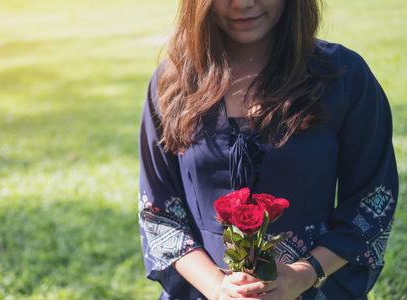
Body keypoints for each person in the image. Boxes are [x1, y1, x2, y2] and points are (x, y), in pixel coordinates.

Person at [138, 0, 398, 299]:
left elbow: (372, 200)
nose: (243, 4)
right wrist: (217, 288)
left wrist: (305, 273)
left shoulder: (343, 75)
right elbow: (158, 210)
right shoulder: (173, 81)